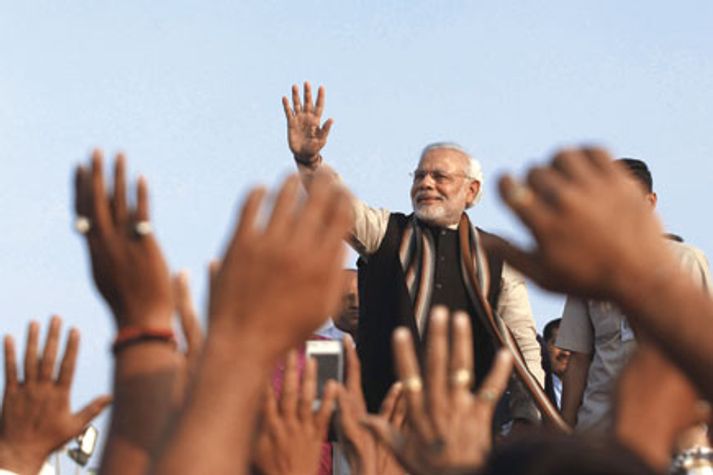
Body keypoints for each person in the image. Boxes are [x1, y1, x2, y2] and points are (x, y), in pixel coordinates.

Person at [281, 82, 549, 426]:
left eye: (440, 176)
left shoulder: (496, 257)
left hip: (463, 433)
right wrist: (310, 161)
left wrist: (529, 418)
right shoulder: (386, 233)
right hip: (384, 425)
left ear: (471, 190)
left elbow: (522, 342)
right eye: (419, 175)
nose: (426, 184)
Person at [556, 158, 712, 434]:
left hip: (672, 435)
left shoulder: (687, 261)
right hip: (601, 433)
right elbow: (578, 360)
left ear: (650, 202)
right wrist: (566, 428)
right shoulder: (587, 270)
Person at [541, 318, 570, 410]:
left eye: (573, 346)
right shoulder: (534, 389)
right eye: (559, 344)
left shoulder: (597, 393)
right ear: (545, 347)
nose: (566, 353)